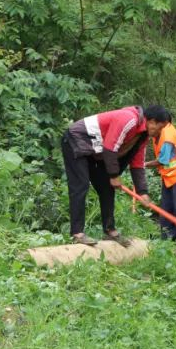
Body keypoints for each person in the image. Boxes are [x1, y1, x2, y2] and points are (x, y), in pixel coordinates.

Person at [61, 105, 153, 247]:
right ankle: (77, 233)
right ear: (152, 121)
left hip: (94, 151)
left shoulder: (142, 137)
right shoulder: (129, 119)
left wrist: (142, 192)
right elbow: (110, 147)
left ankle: (109, 230)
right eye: (161, 127)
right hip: (76, 140)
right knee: (80, 185)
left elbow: (137, 164)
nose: (160, 131)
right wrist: (114, 175)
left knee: (106, 187)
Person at [144, 106, 176, 244]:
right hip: (169, 176)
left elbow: (163, 160)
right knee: (166, 209)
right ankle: (166, 239)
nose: (147, 126)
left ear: (160, 123)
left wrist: (143, 164)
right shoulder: (159, 133)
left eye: (150, 123)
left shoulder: (168, 137)